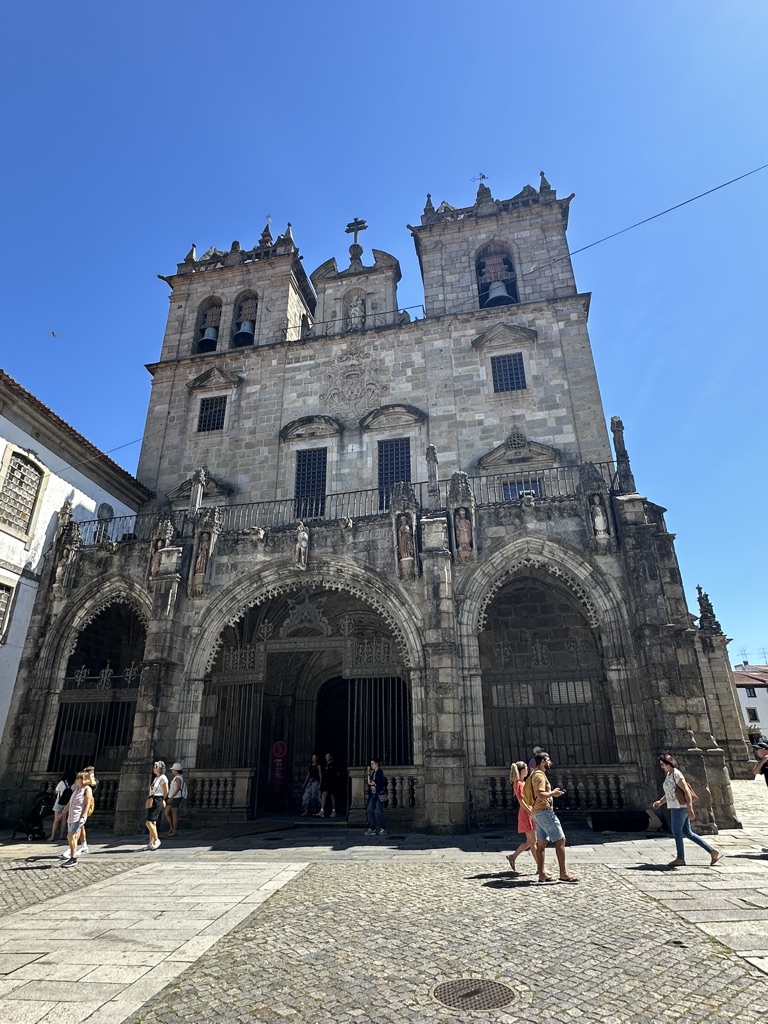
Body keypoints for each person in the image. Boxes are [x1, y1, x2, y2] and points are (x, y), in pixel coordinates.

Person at [652, 753, 720, 867]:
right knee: (687, 832)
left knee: (677, 832)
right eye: (661, 765)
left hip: (679, 808)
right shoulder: (669, 775)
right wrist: (660, 802)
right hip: (675, 806)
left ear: (669, 763)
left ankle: (680, 858)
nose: (662, 767)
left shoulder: (677, 774)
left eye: (663, 764)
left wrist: (690, 808)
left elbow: (687, 792)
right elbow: (670, 793)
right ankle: (712, 851)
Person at [528, 751, 578, 883]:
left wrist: (552, 793)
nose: (550, 762)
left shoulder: (535, 774)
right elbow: (540, 794)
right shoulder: (539, 775)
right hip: (544, 812)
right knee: (561, 840)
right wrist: (553, 793)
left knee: (541, 843)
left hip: (537, 812)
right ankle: (563, 873)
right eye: (548, 760)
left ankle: (542, 873)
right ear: (543, 761)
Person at [505, 761, 537, 872]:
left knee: (530, 841)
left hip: (527, 812)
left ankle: (513, 857)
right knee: (533, 842)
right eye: (526, 768)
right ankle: (540, 867)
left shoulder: (522, 783)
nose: (528, 770)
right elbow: (521, 801)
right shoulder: (518, 784)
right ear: (522, 771)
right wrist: (530, 811)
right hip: (525, 814)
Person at [61, 771, 94, 868]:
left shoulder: (87, 789)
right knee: (71, 837)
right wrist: (63, 812)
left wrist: (83, 816)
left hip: (78, 817)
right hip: (71, 816)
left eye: (78, 778)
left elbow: (87, 804)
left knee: (71, 836)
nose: (76, 780)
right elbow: (70, 803)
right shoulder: (76, 790)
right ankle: (72, 856)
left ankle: (73, 858)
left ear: (83, 780)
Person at [144, 760, 169, 851]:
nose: (154, 768)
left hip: (158, 799)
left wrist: (163, 799)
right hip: (153, 799)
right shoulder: (156, 778)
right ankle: (151, 843)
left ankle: (157, 839)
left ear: (159, 768)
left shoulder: (163, 778)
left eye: (155, 766)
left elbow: (166, 790)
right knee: (153, 822)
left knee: (148, 822)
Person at [49, 772, 74, 841]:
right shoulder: (74, 785)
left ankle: (52, 836)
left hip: (59, 802)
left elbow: (56, 791)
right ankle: (61, 835)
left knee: (56, 820)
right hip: (67, 804)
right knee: (64, 820)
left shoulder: (62, 783)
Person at [364, 758, 386, 836]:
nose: (371, 765)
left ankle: (383, 828)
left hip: (378, 794)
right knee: (370, 810)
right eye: (371, 764)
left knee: (380, 812)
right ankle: (372, 828)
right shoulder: (373, 773)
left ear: (377, 764)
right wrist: (368, 773)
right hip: (373, 794)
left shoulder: (379, 772)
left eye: (373, 763)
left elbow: (372, 782)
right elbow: (369, 782)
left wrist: (372, 782)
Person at [164, 762, 186, 836]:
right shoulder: (176, 777)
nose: (172, 771)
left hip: (176, 797)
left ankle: (174, 830)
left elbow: (177, 789)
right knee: (166, 813)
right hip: (172, 797)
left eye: (173, 769)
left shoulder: (178, 778)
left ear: (176, 770)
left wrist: (172, 797)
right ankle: (171, 827)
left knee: (174, 814)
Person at [319, 752, 338, 818]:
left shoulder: (334, 764)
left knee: (332, 796)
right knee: (323, 795)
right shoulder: (325, 765)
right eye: (326, 756)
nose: (326, 758)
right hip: (326, 782)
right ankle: (322, 811)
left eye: (327, 756)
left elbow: (336, 774)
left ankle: (334, 811)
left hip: (332, 782)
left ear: (330, 757)